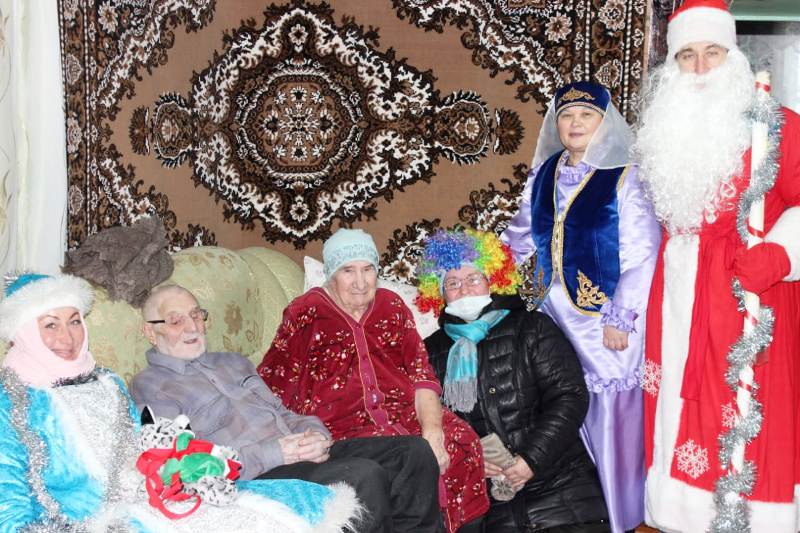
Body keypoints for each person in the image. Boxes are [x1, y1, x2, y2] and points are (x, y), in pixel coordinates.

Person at [0, 273, 358, 533]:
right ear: (24, 333)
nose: (67, 337)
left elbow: (151, 452)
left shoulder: (107, 382)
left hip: (155, 499)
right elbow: (9, 500)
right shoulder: (11, 400)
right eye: (50, 325)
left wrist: (313, 433)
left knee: (336, 486)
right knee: (359, 479)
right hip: (86, 520)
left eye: (75, 321)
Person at [632, 0, 800, 530]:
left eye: (712, 52)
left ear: (734, 56)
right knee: (675, 412)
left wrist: (781, 251)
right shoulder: (662, 131)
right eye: (687, 55)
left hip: (747, 294)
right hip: (675, 297)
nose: (701, 67)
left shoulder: (778, 126)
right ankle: (679, 515)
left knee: (740, 417)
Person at [131, 283, 444, 533]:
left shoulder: (233, 362)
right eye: (176, 320)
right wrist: (277, 453)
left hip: (299, 452)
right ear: (149, 332)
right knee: (363, 475)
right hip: (257, 476)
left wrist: (314, 434)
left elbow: (283, 411)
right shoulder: (150, 387)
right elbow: (187, 465)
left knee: (412, 452)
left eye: (197, 315)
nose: (192, 327)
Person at [501, 80, 660, 532]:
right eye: (566, 115)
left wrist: (621, 318)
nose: (574, 123)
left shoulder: (625, 177)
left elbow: (643, 253)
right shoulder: (544, 174)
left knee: (609, 417)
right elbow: (519, 237)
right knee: (559, 407)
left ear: (604, 123)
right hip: (550, 317)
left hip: (604, 321)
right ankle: (582, 513)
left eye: (586, 115)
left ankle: (623, 517)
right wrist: (488, 272)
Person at [259, 228, 489, 533]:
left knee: (462, 442)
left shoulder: (391, 305)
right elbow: (272, 384)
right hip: (343, 429)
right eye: (348, 270)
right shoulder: (305, 313)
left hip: (407, 415)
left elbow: (421, 375)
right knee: (403, 461)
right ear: (330, 274)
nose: (360, 282)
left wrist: (433, 430)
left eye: (368, 269)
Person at [417, 228, 610, 532]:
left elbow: (569, 397)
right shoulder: (428, 352)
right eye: (452, 283)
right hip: (491, 508)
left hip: (563, 493)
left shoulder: (532, 327)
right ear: (439, 293)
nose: (464, 289)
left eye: (473, 278)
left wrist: (531, 460)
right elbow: (428, 426)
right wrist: (470, 460)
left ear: (494, 280)